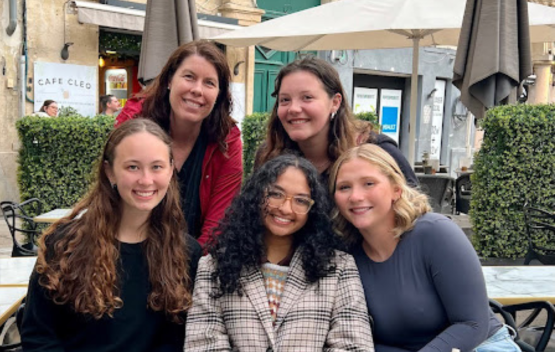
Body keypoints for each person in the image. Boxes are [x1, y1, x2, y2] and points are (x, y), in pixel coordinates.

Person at [21, 118, 202, 352]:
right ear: (110, 172)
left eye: (157, 166)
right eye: (132, 167)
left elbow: (179, 340)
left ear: (170, 170)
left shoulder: (186, 253)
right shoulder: (64, 246)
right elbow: (38, 336)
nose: (146, 180)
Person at [329, 144, 521, 352]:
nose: (355, 196)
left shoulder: (435, 234)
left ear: (396, 189)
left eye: (368, 183)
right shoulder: (346, 255)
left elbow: (472, 324)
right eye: (344, 187)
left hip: (480, 346)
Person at [185, 154, 374, 352]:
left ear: (313, 209)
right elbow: (203, 345)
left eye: (301, 201)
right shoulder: (214, 266)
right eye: (275, 194)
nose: (285, 208)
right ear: (257, 196)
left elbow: (354, 346)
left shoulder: (338, 267)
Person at [115, 40, 242, 246]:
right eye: (189, 77)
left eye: (209, 82)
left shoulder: (226, 140)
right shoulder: (134, 123)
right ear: (169, 80)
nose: (197, 90)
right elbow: (114, 195)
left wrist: (193, 268)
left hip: (196, 260)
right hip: (130, 249)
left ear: (219, 94)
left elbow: (219, 223)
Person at [255, 56, 418, 187]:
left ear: (335, 102)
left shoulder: (376, 151)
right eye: (285, 100)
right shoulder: (269, 156)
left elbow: (416, 214)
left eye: (307, 97)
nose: (294, 108)